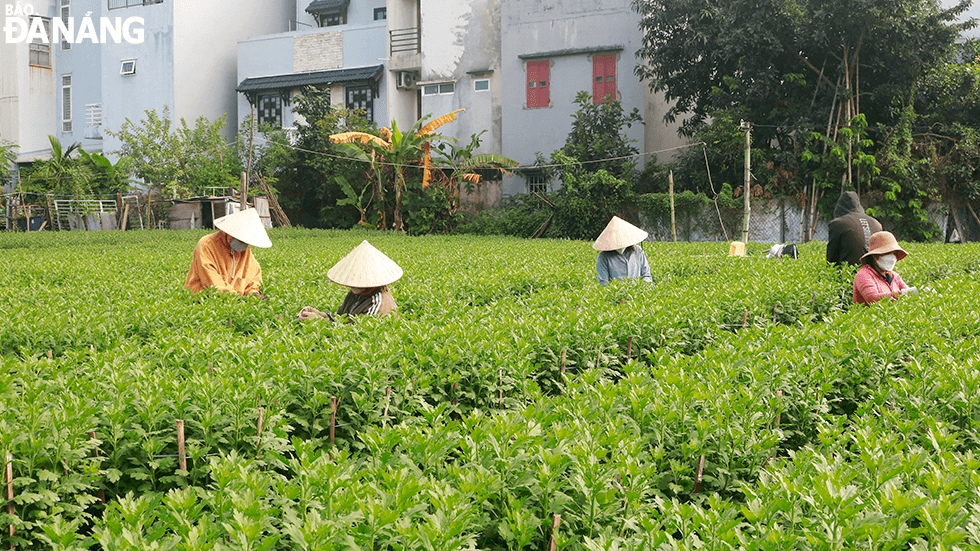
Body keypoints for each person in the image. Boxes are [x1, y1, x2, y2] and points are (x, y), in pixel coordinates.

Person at [296, 240, 402, 320]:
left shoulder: (378, 302)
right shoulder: (357, 292)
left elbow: (358, 331)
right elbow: (342, 318)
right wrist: (319, 314)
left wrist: (318, 321)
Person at [184, 207, 271, 296]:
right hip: (204, 299)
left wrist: (253, 293)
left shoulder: (245, 251)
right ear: (230, 234)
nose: (243, 244)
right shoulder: (206, 245)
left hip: (233, 300)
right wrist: (236, 298)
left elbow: (253, 275)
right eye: (240, 240)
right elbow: (212, 282)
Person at [853, 231, 918, 305]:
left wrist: (920, 292)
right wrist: (902, 293)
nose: (891, 257)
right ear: (875, 256)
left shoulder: (894, 276)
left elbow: (908, 292)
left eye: (894, 253)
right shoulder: (864, 275)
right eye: (887, 253)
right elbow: (872, 298)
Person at [827, 191, 882, 267]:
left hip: (849, 274)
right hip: (874, 273)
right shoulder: (876, 223)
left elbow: (832, 257)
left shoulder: (838, 223)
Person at [594, 216, 652, 286]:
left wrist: (643, 287)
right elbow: (603, 283)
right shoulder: (603, 257)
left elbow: (646, 275)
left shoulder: (638, 251)